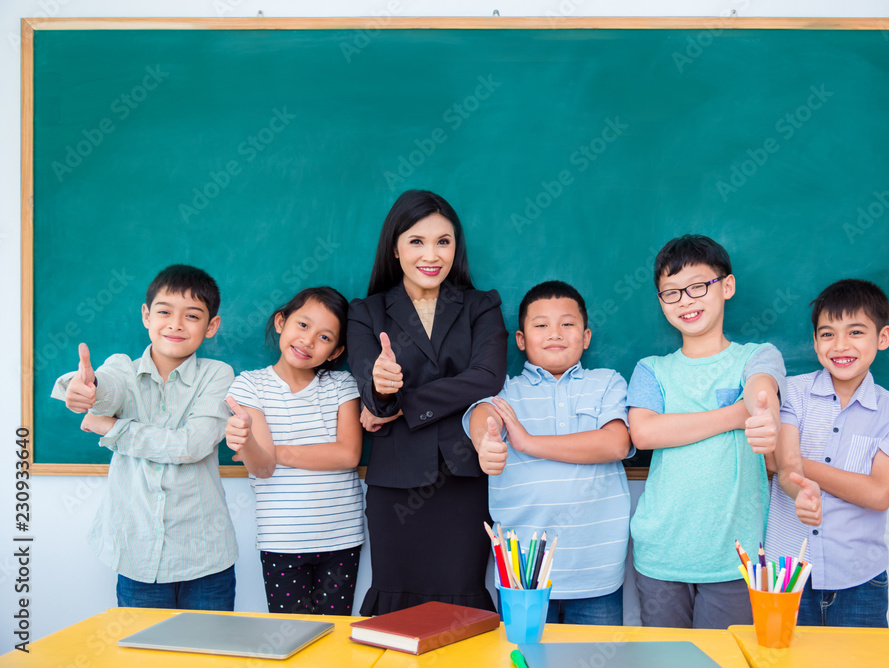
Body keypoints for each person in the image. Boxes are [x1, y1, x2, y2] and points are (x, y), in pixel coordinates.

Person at [626, 234, 820, 629]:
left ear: (726, 286)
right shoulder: (651, 369)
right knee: (667, 662)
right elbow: (644, 433)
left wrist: (761, 412)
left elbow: (760, 390)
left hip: (737, 556)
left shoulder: (757, 356)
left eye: (698, 286)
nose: (686, 300)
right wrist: (736, 415)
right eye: (671, 292)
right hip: (662, 552)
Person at [346, 189, 507, 614]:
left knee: (461, 607)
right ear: (395, 248)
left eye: (443, 241)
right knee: (396, 612)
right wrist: (382, 390)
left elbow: (487, 378)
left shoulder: (480, 306)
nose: (431, 254)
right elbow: (376, 403)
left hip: (464, 480)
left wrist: (406, 402)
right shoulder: (366, 312)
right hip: (395, 485)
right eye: (416, 241)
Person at [50, 264, 238, 610]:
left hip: (206, 559)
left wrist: (113, 428)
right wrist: (86, 391)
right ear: (146, 315)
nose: (176, 324)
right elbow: (105, 388)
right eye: (164, 311)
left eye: (192, 315)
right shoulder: (122, 368)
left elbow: (191, 446)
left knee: (210, 658)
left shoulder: (217, 375)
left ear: (212, 326)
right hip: (137, 557)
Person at [464, 280, 632, 625]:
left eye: (567, 324)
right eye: (541, 325)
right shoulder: (504, 389)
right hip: (522, 577)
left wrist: (527, 442)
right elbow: (483, 416)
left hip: (596, 572)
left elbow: (615, 443)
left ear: (586, 336)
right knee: (524, 660)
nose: (555, 333)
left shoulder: (606, 382)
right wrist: (486, 442)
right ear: (521, 340)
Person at [765, 279, 889, 627]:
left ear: (883, 338)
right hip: (786, 578)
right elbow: (784, 463)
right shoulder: (792, 393)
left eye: (855, 332)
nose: (841, 345)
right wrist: (795, 480)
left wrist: (803, 470)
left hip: (860, 580)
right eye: (827, 334)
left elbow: (879, 494)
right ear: (815, 342)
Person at [225, 286, 364, 615]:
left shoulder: (343, 384)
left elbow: (347, 455)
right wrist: (248, 444)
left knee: (333, 639)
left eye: (325, 337)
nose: (308, 340)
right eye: (302, 325)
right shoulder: (249, 385)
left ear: (335, 351)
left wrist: (274, 450)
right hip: (282, 541)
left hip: (341, 538)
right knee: (291, 641)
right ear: (280, 322)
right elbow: (262, 468)